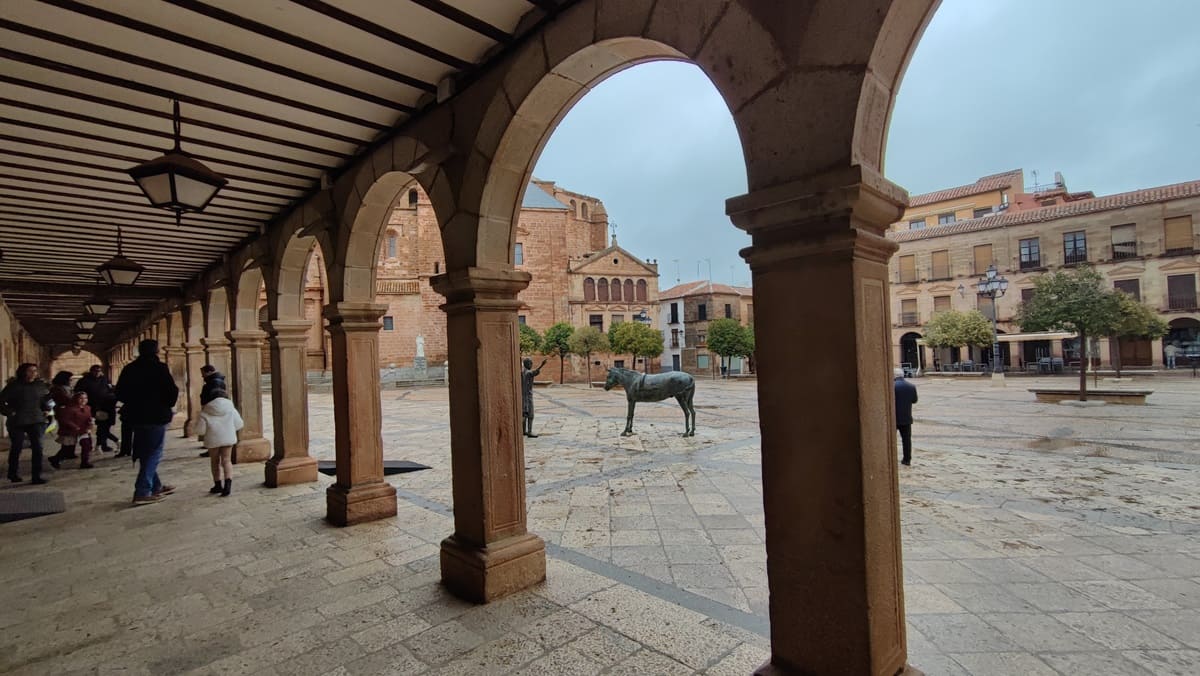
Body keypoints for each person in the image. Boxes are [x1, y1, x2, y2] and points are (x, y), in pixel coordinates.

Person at [115, 340, 179, 505]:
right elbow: (171, 391)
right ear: (156, 351)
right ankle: (142, 491)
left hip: (135, 416)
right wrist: (165, 403)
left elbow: (120, 393)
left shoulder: (129, 369)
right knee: (154, 452)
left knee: (145, 451)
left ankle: (155, 486)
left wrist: (135, 402)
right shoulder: (159, 368)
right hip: (156, 415)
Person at [1, 363, 51, 484]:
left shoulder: (40, 385)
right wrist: (9, 412)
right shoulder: (13, 386)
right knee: (17, 447)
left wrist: (46, 409)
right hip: (17, 420)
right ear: (23, 372)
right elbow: (1, 401)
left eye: (35, 370)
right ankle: (13, 473)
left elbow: (45, 399)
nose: (33, 373)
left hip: (36, 419)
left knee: (38, 448)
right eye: (30, 371)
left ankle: (36, 476)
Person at [195, 389, 243, 497]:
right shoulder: (231, 409)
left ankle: (217, 485)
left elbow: (200, 431)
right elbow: (239, 424)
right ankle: (228, 485)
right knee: (227, 461)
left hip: (213, 440)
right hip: (228, 438)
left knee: (215, 462)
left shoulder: (206, 411)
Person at [75, 365, 118, 453]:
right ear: (91, 371)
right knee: (93, 426)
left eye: (99, 371)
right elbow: (78, 392)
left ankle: (103, 445)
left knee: (104, 426)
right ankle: (94, 445)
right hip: (92, 407)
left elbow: (109, 389)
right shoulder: (84, 381)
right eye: (95, 371)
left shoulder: (104, 379)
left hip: (105, 406)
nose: (97, 373)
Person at [49, 392, 95, 469]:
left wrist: (90, 422)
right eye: (81, 398)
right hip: (71, 432)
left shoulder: (87, 408)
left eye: (85, 398)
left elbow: (88, 417)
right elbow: (65, 420)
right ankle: (56, 459)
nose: (83, 400)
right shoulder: (69, 408)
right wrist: (74, 426)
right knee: (67, 448)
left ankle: (84, 462)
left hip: (83, 430)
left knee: (86, 445)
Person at [196, 365, 228, 458]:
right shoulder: (214, 381)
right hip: (213, 408)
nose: (202, 376)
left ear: (209, 372)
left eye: (203, 373)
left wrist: (209, 406)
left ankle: (213, 449)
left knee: (213, 430)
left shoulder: (214, 382)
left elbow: (214, 396)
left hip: (213, 409)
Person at [894, 368, 918, 467]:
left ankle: (892, 457)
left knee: (892, 440)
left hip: (894, 418)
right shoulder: (911, 386)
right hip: (906, 418)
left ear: (894, 375)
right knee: (906, 440)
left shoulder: (892, 386)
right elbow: (914, 400)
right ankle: (907, 459)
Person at [521, 357, 547, 438]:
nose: (531, 364)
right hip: (528, 396)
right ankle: (529, 431)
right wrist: (542, 365)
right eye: (530, 363)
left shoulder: (522, 372)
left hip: (523, 395)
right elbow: (534, 372)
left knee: (524, 414)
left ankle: (523, 431)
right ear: (527, 364)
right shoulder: (528, 372)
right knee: (530, 414)